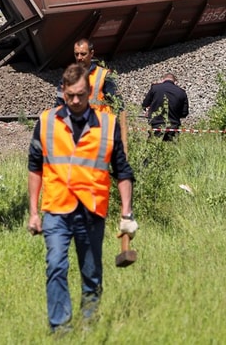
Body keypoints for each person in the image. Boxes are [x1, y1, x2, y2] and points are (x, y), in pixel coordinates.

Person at [28, 62, 138, 334]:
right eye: (69, 95)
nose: (75, 101)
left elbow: (122, 170)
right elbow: (34, 166)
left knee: (91, 273)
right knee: (55, 265)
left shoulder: (108, 123)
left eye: (80, 94)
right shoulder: (46, 121)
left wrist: (127, 213)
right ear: (62, 91)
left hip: (91, 209)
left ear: (89, 92)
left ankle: (89, 325)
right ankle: (60, 328)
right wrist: (33, 211)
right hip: (56, 208)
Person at [56, 38, 129, 153]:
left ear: (92, 53)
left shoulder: (103, 75)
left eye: (83, 54)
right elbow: (59, 105)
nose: (79, 57)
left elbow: (118, 105)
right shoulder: (67, 77)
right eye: (77, 54)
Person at [141, 73, 189, 141]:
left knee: (153, 147)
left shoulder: (155, 88)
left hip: (156, 125)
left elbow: (145, 105)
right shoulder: (182, 92)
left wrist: (149, 110)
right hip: (173, 126)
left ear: (162, 80)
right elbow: (184, 113)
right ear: (175, 82)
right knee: (172, 149)